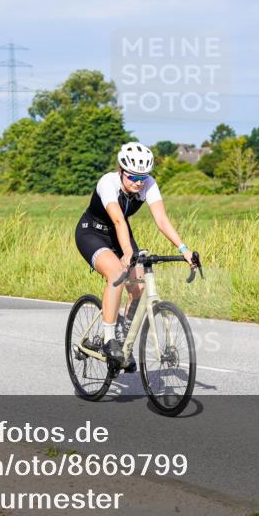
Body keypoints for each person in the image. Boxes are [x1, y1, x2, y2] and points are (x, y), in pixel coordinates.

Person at [75, 142, 195, 371]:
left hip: (121, 234)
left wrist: (184, 250)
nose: (138, 183)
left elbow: (161, 220)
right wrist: (128, 253)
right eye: (132, 177)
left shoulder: (148, 184)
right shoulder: (107, 183)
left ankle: (123, 340)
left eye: (143, 177)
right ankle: (110, 339)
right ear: (121, 170)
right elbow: (118, 220)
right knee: (117, 272)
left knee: (138, 288)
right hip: (93, 232)